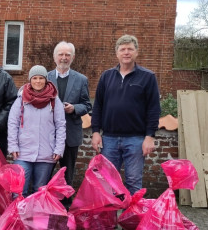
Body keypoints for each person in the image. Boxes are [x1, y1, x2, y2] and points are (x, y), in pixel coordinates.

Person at [91, 34, 160, 196]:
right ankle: (110, 221)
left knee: (133, 181)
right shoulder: (106, 76)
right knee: (108, 182)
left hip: (135, 139)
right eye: (123, 49)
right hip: (109, 138)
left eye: (130, 49)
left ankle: (132, 221)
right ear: (117, 53)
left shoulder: (147, 77)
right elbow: (98, 105)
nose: (126, 52)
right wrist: (95, 132)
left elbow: (153, 109)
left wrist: (150, 136)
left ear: (136, 52)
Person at [7, 65, 66, 196]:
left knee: (39, 192)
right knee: (19, 191)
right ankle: (18, 216)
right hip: (23, 153)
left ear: (46, 80)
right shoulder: (21, 99)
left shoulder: (54, 100)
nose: (38, 81)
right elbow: (12, 123)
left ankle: (35, 216)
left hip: (46, 153)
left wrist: (59, 148)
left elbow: (61, 126)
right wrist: (13, 146)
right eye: (35, 78)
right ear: (30, 80)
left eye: (41, 78)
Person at [47, 41, 92, 208]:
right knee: (46, 173)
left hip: (71, 134)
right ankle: (46, 204)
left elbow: (87, 105)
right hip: (48, 134)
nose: (64, 58)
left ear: (72, 57)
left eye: (67, 55)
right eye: (61, 54)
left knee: (68, 174)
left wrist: (74, 108)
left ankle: (65, 207)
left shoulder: (81, 80)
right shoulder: (45, 78)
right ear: (54, 57)